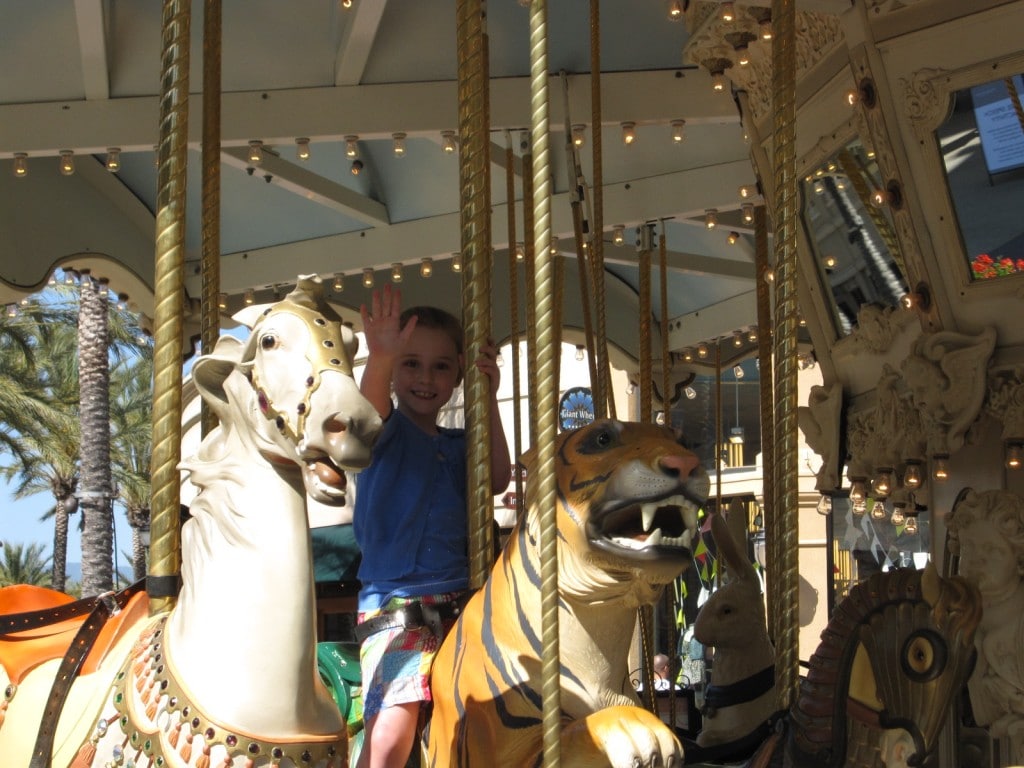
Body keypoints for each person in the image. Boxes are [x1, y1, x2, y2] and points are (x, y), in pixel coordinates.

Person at [353, 284, 512, 768]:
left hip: (465, 605)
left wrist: (489, 397)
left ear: (459, 372)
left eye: (441, 365)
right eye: (411, 363)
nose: (426, 377)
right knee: (393, 731)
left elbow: (498, 476)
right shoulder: (385, 433)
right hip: (400, 607)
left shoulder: (462, 443)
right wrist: (380, 357)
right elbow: (370, 406)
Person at [947, 489, 1024, 764]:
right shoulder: (953, 624)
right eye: (970, 548)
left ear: (1019, 559)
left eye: (992, 550)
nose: (977, 560)